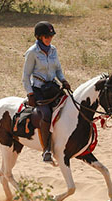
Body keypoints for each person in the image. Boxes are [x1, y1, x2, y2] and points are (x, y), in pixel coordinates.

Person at [22, 21, 71, 163]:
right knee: (46, 114)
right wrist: (30, 94)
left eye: (50, 36)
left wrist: (63, 80)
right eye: (46, 37)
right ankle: (47, 150)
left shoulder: (53, 50)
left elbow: (58, 70)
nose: (49, 39)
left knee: (69, 106)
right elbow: (25, 76)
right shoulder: (32, 53)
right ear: (39, 37)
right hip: (39, 91)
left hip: (53, 88)